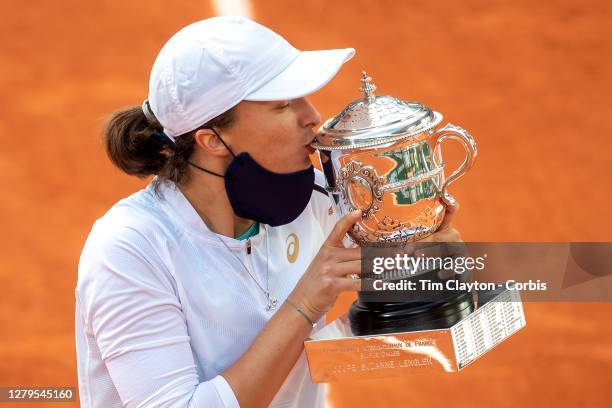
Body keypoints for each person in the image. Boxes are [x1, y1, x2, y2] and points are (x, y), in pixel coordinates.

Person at [75, 16, 461, 408]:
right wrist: (304, 305)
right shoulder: (130, 249)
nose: (312, 117)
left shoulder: (317, 198)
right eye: (283, 104)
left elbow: (402, 304)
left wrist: (425, 258)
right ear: (212, 139)